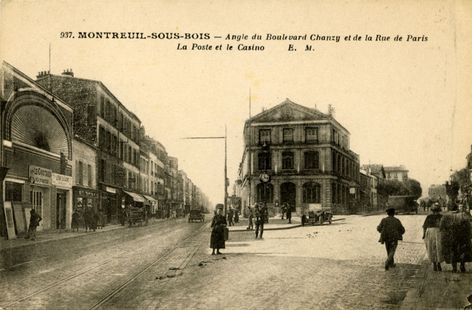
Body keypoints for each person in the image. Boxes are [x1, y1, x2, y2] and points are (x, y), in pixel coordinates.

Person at [439, 205, 472, 273]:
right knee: (462, 251)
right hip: (463, 236)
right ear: (457, 209)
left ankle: (454, 268)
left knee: (453, 251)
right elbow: (469, 226)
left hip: (452, 236)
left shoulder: (446, 216)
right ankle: (462, 265)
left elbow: (441, 227)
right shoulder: (463, 215)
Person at [422, 203, 443, 271]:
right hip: (438, 232)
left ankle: (435, 264)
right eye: (435, 211)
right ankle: (437, 264)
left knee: (432, 248)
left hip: (432, 232)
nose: (435, 212)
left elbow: (424, 227)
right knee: (437, 248)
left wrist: (424, 234)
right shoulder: (441, 216)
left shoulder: (429, 217)